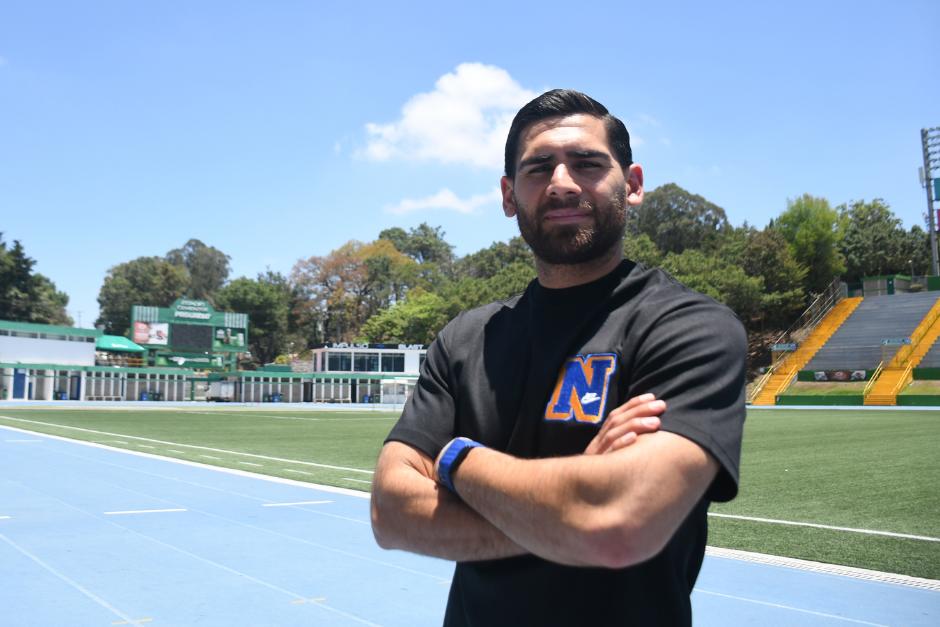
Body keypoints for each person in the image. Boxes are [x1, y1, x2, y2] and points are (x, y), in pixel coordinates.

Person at [371, 89, 746, 626]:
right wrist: (571, 508)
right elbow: (391, 513)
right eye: (539, 168)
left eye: (588, 163)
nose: (563, 182)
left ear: (632, 184)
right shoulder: (465, 338)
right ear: (508, 196)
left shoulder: (688, 328)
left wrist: (456, 461)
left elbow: (618, 527)